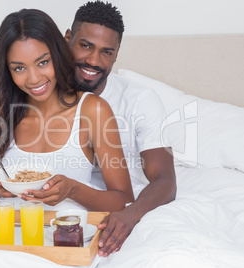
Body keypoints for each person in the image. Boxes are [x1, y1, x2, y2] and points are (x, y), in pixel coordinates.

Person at [0, 8, 134, 212]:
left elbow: (123, 200)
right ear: (7, 71)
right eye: (19, 68)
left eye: (43, 62)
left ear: (57, 54)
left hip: (65, 236)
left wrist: (73, 190)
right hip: (7, 238)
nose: (34, 78)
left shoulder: (92, 110)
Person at [64, 1, 176, 257]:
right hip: (64, 209)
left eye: (107, 52)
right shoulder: (43, 91)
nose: (93, 60)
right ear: (67, 38)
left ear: (117, 53)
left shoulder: (139, 99)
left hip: (125, 205)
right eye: (85, 46)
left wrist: (131, 214)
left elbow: (166, 180)